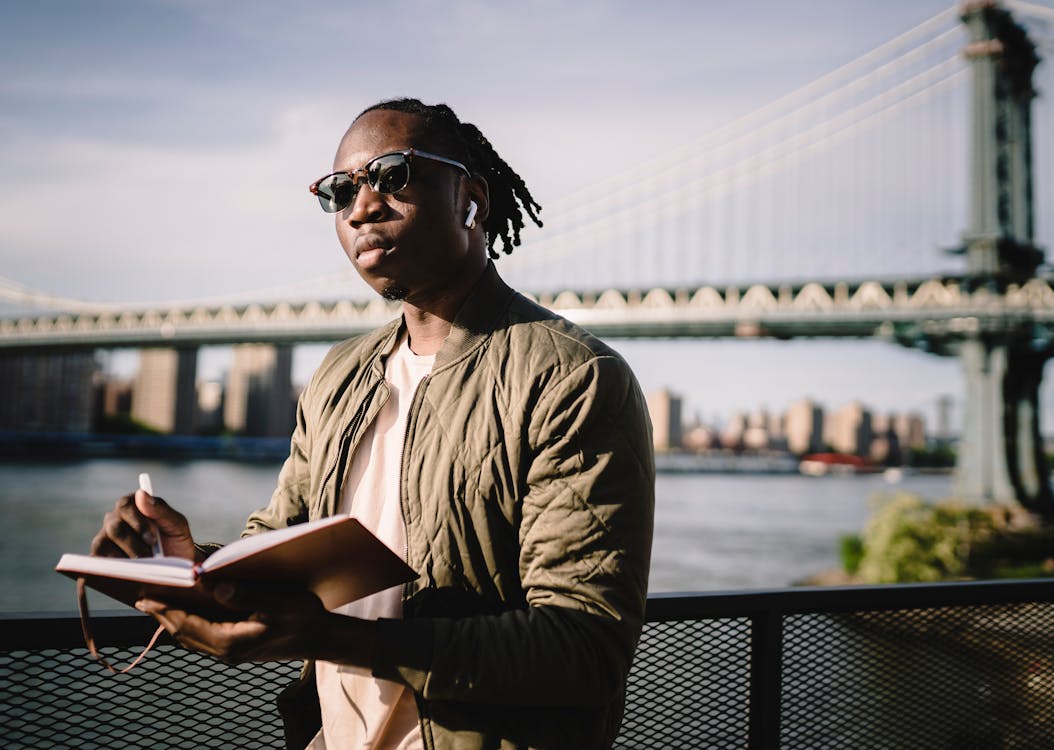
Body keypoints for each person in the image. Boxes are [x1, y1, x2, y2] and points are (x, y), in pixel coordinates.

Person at [90, 98, 656, 750]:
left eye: (391, 175)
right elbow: (279, 553)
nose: (361, 208)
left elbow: (584, 650)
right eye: (338, 192)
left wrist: (329, 637)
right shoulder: (339, 377)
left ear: (470, 198)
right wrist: (189, 567)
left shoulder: (571, 377)